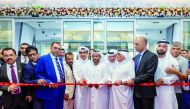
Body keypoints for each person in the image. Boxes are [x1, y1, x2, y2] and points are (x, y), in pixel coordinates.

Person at [127, 36, 158, 109]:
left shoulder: (152, 56)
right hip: (136, 92)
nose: (135, 46)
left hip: (146, 92)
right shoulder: (135, 58)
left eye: (137, 44)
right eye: (134, 44)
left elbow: (149, 74)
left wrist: (133, 80)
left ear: (144, 44)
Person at [35, 42, 65, 109]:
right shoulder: (43, 59)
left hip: (61, 88)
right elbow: (38, 74)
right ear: (51, 48)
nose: (57, 50)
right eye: (55, 48)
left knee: (60, 107)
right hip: (49, 88)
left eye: (59, 49)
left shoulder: (61, 59)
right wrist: (48, 82)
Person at [154, 40, 179, 109]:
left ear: (167, 48)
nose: (161, 48)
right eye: (159, 46)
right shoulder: (152, 59)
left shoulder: (173, 60)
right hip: (153, 89)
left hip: (166, 90)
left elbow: (176, 77)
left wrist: (163, 80)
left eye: (164, 46)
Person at [170, 42, 189, 109]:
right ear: (170, 49)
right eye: (174, 49)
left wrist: (176, 72)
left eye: (178, 49)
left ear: (180, 50)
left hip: (177, 91)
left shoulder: (184, 61)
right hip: (165, 89)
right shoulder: (167, 58)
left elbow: (184, 77)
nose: (175, 50)